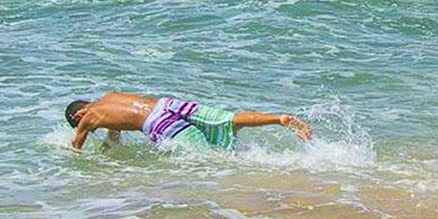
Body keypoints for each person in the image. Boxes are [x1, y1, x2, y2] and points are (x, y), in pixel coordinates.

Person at [64, 92, 311, 151]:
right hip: (166, 104)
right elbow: (114, 132)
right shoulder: (109, 98)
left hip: (157, 123)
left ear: (78, 116)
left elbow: (77, 147)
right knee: (228, 120)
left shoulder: (87, 119)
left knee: (206, 157)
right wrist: (110, 146)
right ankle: (279, 118)